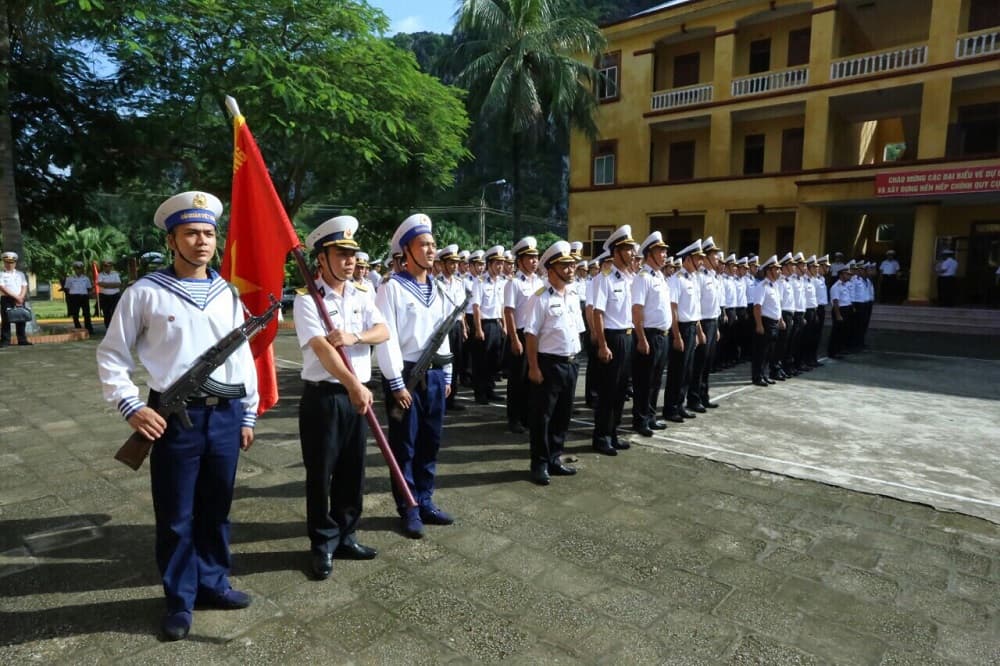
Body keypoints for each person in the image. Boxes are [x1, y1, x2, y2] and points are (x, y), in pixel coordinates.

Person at [96, 191, 258, 641]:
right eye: (190, 233)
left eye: (208, 233)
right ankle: (180, 600)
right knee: (176, 515)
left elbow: (241, 357)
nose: (201, 241)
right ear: (171, 240)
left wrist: (248, 413)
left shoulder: (227, 292)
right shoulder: (145, 292)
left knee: (217, 509)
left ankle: (213, 583)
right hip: (173, 418)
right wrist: (132, 406)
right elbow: (111, 355)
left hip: (225, 414)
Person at [294, 216, 389, 581]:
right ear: (322, 258)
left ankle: (347, 534)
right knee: (321, 473)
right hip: (326, 398)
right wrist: (352, 384)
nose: (350, 261)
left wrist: (355, 337)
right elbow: (322, 350)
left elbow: (382, 331)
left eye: (352, 254)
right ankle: (322, 543)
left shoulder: (362, 293)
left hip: (356, 395)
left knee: (353, 470)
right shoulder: (307, 300)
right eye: (341, 254)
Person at [374, 213, 455, 539]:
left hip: (434, 375)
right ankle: (408, 506)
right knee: (404, 445)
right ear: (406, 250)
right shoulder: (391, 288)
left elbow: (443, 335)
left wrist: (447, 373)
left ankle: (425, 500)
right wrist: (395, 382)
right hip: (406, 374)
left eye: (433, 244)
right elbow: (386, 337)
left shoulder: (438, 288)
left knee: (430, 442)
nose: (431, 250)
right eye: (423, 245)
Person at [524, 240, 585, 485]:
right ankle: (539, 463)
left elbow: (577, 330)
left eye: (572, 265)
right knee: (543, 417)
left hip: (570, 363)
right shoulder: (540, 298)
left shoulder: (572, 295)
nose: (571, 269)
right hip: (549, 364)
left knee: (563, 415)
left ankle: (554, 458)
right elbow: (531, 334)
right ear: (551, 269)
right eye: (565, 266)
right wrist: (533, 367)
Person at [590, 225, 636, 456]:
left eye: (632, 249)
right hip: (612, 337)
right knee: (608, 390)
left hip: (627, 336)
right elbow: (598, 313)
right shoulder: (604, 278)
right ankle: (601, 437)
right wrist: (602, 344)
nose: (632, 253)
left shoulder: (630, 278)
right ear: (616, 252)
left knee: (620, 390)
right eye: (627, 249)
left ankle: (613, 433)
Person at [630, 232, 672, 437]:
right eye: (660, 251)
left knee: (655, 380)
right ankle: (640, 420)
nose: (664, 255)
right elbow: (637, 310)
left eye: (665, 251)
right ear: (649, 254)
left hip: (662, 335)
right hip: (649, 335)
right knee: (644, 381)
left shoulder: (659, 276)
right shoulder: (643, 278)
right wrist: (641, 338)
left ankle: (651, 416)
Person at [503, 236, 542, 433]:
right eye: (530, 258)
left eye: (536, 258)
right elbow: (509, 312)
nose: (535, 261)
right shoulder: (514, 283)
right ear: (520, 261)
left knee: (532, 379)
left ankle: (528, 416)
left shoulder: (540, 282)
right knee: (517, 379)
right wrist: (514, 339)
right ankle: (514, 419)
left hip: (535, 335)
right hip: (520, 333)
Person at [664, 240, 705, 423]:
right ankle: (671, 408)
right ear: (688, 259)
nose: (701, 262)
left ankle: (680, 405)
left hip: (691, 327)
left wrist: (699, 331)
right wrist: (677, 335)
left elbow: (695, 310)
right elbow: (673, 309)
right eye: (698, 258)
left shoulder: (692, 279)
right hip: (680, 328)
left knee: (687, 370)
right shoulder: (677, 280)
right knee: (677, 371)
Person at [471, 245, 506, 404]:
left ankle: (490, 389)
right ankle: (480, 393)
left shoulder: (501, 282)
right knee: (482, 360)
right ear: (489, 264)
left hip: (497, 323)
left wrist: (504, 325)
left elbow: (502, 306)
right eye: (497, 263)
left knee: (494, 359)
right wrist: (478, 329)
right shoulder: (480, 282)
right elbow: (476, 307)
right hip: (484, 324)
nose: (500, 267)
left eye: (502, 263)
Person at [436, 244, 468, 412]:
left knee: (455, 361)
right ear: (442, 264)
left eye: (456, 263)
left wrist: (463, 327)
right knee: (442, 361)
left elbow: (461, 308)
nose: (455, 266)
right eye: (451, 262)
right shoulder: (436, 282)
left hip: (455, 326)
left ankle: (451, 398)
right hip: (442, 327)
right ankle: (440, 397)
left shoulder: (459, 283)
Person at [751, 255, 783, 386]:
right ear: (769, 270)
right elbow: (757, 307)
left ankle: (765, 375)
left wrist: (780, 320)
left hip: (774, 323)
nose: (779, 271)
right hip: (765, 322)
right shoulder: (762, 286)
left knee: (769, 351)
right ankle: (757, 377)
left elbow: (777, 305)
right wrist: (759, 325)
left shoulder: (774, 286)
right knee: (761, 351)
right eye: (777, 269)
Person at [1, 251, 31, 346]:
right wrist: (16, 297)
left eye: (11, 262)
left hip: (20, 299)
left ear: (15, 263)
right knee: (6, 320)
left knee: (21, 319)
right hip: (7, 299)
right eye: (7, 262)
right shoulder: (1, 274)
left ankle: (22, 340)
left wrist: (21, 297)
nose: (9, 264)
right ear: (4, 262)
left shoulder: (20, 274)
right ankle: (5, 341)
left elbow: (24, 286)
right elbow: (2, 287)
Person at [828, 264, 854, 359]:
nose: (849, 276)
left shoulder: (845, 285)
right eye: (847, 274)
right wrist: (838, 315)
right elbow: (835, 302)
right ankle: (833, 352)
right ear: (842, 274)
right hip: (839, 310)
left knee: (843, 332)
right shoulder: (836, 286)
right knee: (836, 332)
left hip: (846, 309)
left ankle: (839, 349)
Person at [65, 260, 94, 334]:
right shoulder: (70, 278)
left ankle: (89, 329)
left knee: (86, 313)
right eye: (77, 268)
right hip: (74, 297)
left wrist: (89, 294)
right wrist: (73, 294)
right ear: (74, 269)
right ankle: (78, 328)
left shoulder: (86, 278)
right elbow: (67, 289)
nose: (78, 270)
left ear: (82, 269)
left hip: (84, 297)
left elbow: (89, 288)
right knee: (75, 314)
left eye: (80, 268)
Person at [96, 259, 124, 329]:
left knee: (116, 312)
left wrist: (106, 285)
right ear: (103, 267)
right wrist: (112, 285)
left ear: (111, 267)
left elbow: (118, 284)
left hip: (115, 296)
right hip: (104, 296)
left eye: (109, 266)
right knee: (106, 313)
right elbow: (100, 284)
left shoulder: (115, 274)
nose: (107, 267)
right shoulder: (100, 275)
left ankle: (117, 328)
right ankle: (108, 328)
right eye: (105, 266)